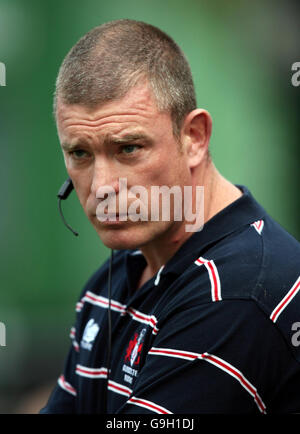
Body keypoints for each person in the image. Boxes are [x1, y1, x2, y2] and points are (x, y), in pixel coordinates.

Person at [41, 19, 300, 414]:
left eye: (128, 148)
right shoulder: (109, 284)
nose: (103, 186)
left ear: (194, 137)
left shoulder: (236, 295)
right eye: (80, 153)